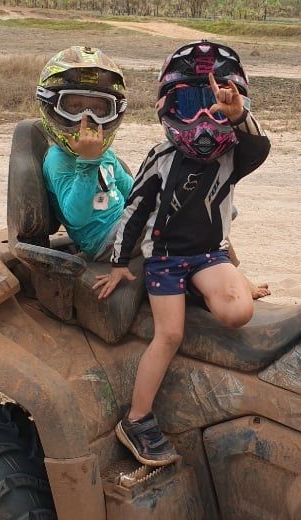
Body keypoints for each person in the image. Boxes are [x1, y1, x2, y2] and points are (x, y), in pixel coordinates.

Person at [92, 40, 271, 468]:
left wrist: (237, 116)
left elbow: (260, 148)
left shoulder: (233, 155)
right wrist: (119, 264)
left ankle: (210, 287)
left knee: (238, 313)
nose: (204, 117)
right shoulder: (161, 157)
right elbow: (134, 212)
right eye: (191, 104)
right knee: (169, 336)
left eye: (214, 104)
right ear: (169, 108)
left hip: (209, 256)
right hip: (167, 260)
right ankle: (136, 419)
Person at [36, 45, 134, 261]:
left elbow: (133, 191)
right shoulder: (58, 161)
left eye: (98, 109)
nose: (86, 119)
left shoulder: (106, 154)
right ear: (51, 106)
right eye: (74, 106)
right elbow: (76, 217)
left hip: (125, 226)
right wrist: (88, 162)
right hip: (103, 241)